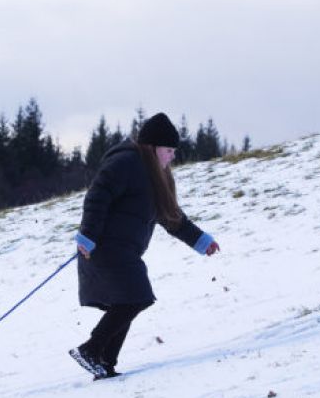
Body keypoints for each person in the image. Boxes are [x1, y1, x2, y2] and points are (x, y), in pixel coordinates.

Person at [69, 112, 220, 379]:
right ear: (153, 146)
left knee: (126, 301)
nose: (172, 156)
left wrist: (201, 241)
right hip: (104, 248)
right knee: (136, 297)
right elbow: (97, 196)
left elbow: (173, 219)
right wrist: (88, 237)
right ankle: (92, 350)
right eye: (169, 150)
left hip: (121, 250)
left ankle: (105, 362)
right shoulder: (127, 162)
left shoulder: (154, 177)